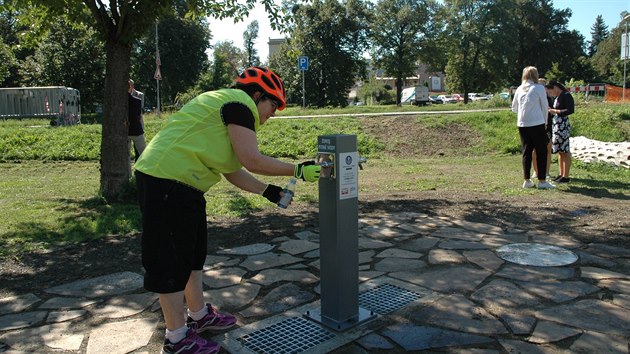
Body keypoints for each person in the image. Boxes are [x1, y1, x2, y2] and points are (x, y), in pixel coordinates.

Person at [133, 66, 321, 354]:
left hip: (183, 184)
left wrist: (269, 191)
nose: (273, 113)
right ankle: (176, 339)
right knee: (170, 263)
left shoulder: (226, 107)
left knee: (193, 256)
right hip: (167, 181)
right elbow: (252, 160)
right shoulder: (239, 104)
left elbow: (232, 170)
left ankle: (198, 316)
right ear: (257, 95)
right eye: (273, 105)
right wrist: (297, 168)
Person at [511, 66, 555, 189]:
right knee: (541, 151)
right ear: (535, 75)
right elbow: (545, 107)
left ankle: (527, 180)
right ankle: (542, 180)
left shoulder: (519, 89)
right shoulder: (539, 88)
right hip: (537, 122)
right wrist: (545, 122)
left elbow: (514, 108)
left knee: (526, 151)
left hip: (522, 124)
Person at [545, 81, 574, 183]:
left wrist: (555, 111)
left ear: (555, 88)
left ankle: (566, 176)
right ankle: (561, 174)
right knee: (560, 151)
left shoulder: (566, 95)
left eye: (550, 92)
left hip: (563, 125)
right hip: (557, 124)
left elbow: (570, 110)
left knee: (565, 151)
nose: (551, 94)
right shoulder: (558, 97)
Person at [532, 78, 553, 180]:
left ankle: (547, 171)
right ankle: (536, 171)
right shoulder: (534, 96)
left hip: (547, 124)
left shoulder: (548, 98)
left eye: (543, 86)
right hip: (536, 123)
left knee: (548, 147)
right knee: (535, 149)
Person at [128, 79, 146, 161]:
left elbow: (140, 112)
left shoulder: (139, 95)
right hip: (134, 126)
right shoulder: (136, 101)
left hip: (136, 124)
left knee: (139, 150)